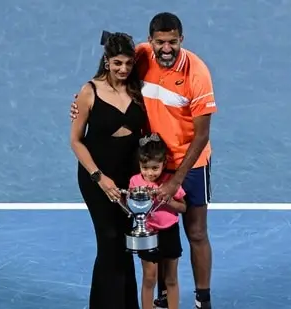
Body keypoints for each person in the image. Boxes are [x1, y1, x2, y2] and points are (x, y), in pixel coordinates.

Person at [70, 12, 217, 309]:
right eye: (160, 42)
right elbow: (113, 60)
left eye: (172, 42)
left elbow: (201, 136)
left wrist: (174, 180)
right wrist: (83, 98)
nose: (166, 48)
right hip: (149, 164)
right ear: (149, 41)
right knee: (147, 230)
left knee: (196, 232)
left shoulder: (198, 73)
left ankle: (203, 300)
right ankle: (161, 296)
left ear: (181, 40)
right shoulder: (140, 55)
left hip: (189, 161)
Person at [69, 32, 147, 309]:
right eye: (117, 63)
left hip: (129, 178)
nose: (123, 69)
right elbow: (76, 141)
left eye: (128, 63)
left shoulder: (138, 89)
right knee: (109, 240)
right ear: (106, 61)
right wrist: (99, 177)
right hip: (97, 177)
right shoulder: (89, 91)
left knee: (125, 243)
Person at [130, 133, 187, 309]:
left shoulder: (170, 182)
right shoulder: (135, 182)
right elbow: (131, 206)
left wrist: (168, 199)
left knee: (171, 278)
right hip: (147, 233)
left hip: (170, 231)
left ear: (164, 163)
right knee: (149, 277)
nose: (149, 173)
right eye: (145, 168)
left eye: (155, 168)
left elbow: (183, 208)